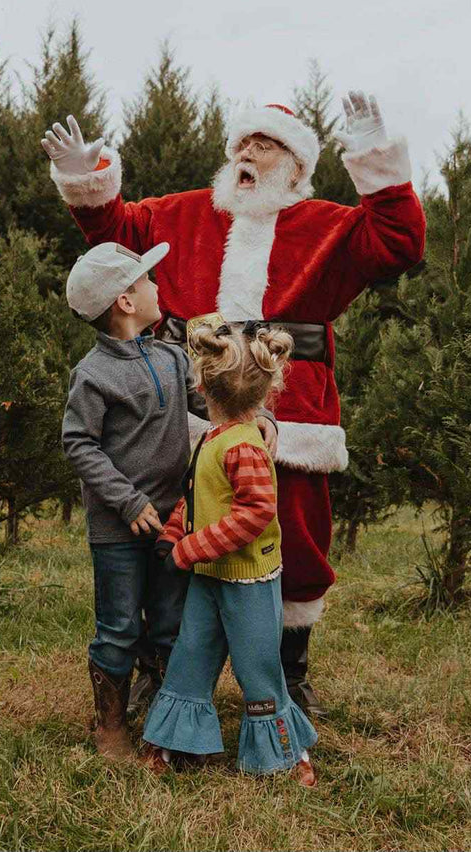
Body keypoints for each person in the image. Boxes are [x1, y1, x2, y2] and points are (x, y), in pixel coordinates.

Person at [43, 93, 426, 714]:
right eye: (242, 144)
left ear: (296, 167)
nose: (247, 153)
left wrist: (376, 162)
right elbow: (114, 237)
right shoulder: (183, 214)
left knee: (297, 539)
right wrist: (87, 180)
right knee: (175, 540)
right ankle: (158, 669)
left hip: (293, 414)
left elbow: (401, 242)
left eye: (265, 145)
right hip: (186, 410)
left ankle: (288, 676)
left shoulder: (328, 226)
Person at [60, 242, 276, 759]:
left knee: (170, 622)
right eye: (147, 280)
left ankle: (169, 720)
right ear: (126, 303)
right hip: (120, 527)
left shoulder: (173, 356)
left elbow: (216, 402)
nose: (159, 286)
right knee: (117, 626)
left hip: (177, 521)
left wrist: (259, 419)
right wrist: (127, 502)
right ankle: (110, 725)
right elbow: (78, 442)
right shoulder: (93, 375)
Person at [141, 314, 317, 785]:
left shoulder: (245, 447)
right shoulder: (214, 441)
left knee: (257, 666)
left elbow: (254, 513)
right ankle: (175, 742)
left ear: (200, 385)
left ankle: (287, 752)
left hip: (248, 583)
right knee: (190, 655)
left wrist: (189, 548)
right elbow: (199, 496)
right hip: (209, 577)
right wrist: (174, 534)